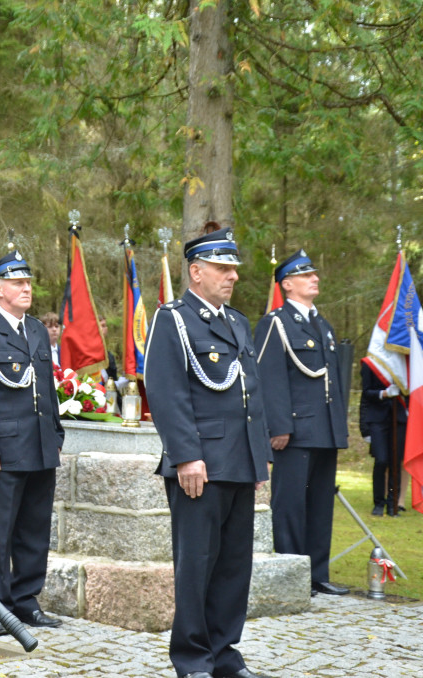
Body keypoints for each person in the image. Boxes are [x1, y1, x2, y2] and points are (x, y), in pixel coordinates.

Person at [145, 227, 273, 678]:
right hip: (200, 463)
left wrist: (259, 458)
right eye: (222, 268)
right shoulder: (174, 319)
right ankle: (193, 658)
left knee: (234, 566)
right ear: (196, 272)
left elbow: (250, 395)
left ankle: (224, 654)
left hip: (238, 461)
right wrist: (185, 455)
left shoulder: (237, 322)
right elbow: (166, 391)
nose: (232, 276)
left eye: (233, 268)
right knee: (197, 565)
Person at [0, 249, 65, 635]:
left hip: (39, 447)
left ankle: (26, 601)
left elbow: (46, 390)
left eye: (28, 282)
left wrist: (56, 437)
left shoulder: (36, 329)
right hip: (4, 451)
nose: (26, 288)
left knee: (35, 529)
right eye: (18, 283)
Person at [254, 250, 349, 596]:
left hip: (323, 428)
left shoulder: (322, 326)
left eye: (315, 274)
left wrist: (338, 427)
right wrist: (278, 425)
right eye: (306, 275)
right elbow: (269, 376)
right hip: (294, 430)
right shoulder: (275, 323)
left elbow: (332, 381)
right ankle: (292, 571)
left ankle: (316, 573)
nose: (315, 279)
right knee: (291, 503)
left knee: (321, 503)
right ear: (288, 284)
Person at [359, 360, 407, 516]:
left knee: (395, 462)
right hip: (378, 419)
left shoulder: (404, 362)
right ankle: (378, 503)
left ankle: (392, 504)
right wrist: (384, 393)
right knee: (381, 460)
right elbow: (366, 393)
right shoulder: (370, 363)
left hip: (399, 418)